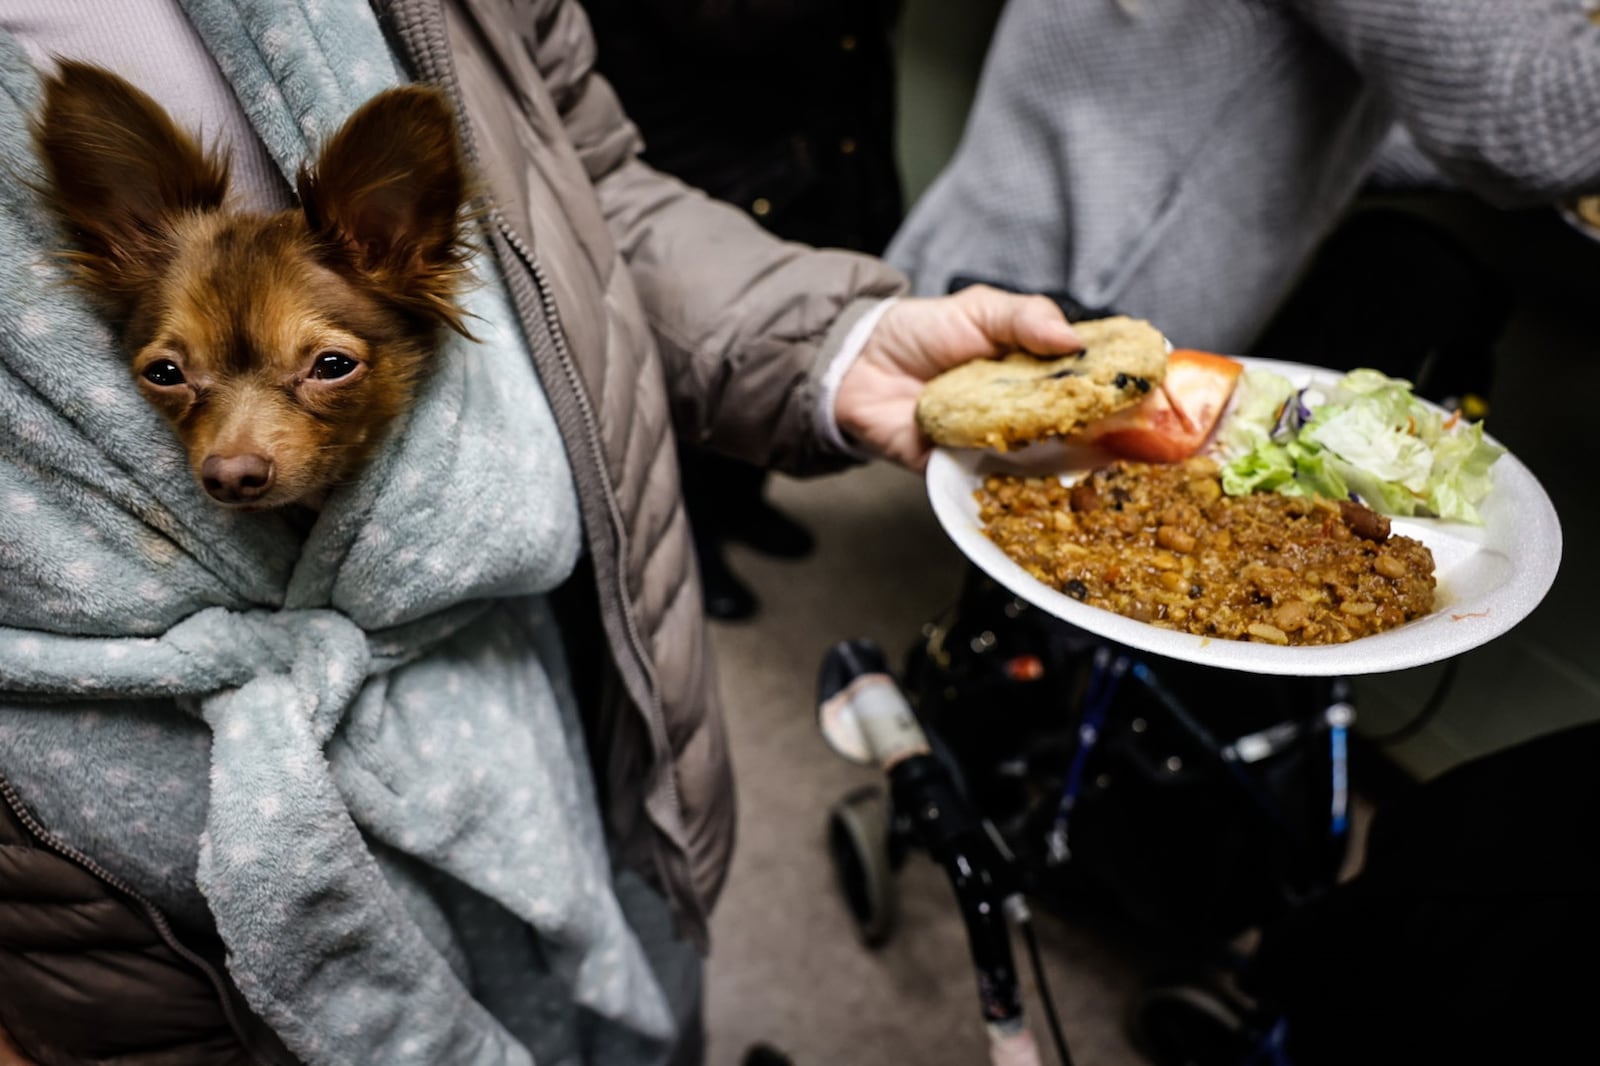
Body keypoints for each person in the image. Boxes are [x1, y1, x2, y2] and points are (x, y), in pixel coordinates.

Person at [0, 1, 1081, 1064]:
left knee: (606, 953)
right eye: (170, 374)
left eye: (321, 364)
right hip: (92, 843)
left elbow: (580, 186)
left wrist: (830, 344)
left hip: (487, 625)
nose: (232, 453)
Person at [888, 0, 1600, 356]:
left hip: (1047, 227)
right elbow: (1533, 121)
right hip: (1078, 285)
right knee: (1067, 583)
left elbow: (1303, 121)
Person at [581, 0, 906, 620]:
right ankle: (691, 543)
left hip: (809, 146)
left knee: (771, 346)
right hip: (704, 145)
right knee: (688, 364)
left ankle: (741, 505)